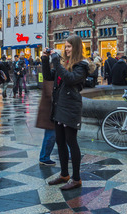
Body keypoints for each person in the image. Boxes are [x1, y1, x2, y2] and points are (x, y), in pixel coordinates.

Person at [47, 35, 91, 191]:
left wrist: (56, 61)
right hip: (60, 105)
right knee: (60, 141)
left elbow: (70, 79)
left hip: (71, 106)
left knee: (72, 142)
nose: (66, 49)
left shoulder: (82, 65)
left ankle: (76, 178)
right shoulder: (64, 64)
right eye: (65, 46)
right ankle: (64, 174)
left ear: (76, 47)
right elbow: (48, 77)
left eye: (69, 47)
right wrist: (47, 60)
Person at [36, 49, 57, 165]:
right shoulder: (53, 73)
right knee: (51, 134)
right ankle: (44, 157)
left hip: (52, 108)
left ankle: (67, 153)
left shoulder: (55, 72)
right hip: (51, 109)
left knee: (58, 134)